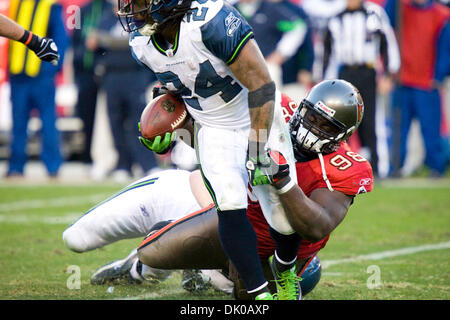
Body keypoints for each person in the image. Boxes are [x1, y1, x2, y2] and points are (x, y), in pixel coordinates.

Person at [63, 80, 373, 299]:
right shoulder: (275, 108)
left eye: (325, 125)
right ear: (301, 105)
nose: (310, 127)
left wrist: (284, 182)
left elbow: (317, 226)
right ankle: (146, 262)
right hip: (201, 194)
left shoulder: (346, 167)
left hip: (238, 234)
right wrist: (176, 112)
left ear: (343, 136)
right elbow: (213, 100)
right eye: (310, 115)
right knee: (75, 238)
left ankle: (144, 269)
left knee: (180, 260)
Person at [117, 0, 300, 300]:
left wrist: (257, 148)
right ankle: (259, 295)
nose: (132, 11)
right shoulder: (141, 42)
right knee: (229, 204)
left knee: (280, 211)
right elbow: (180, 83)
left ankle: (286, 270)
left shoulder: (211, 21)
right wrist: (168, 120)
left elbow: (262, 84)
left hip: (258, 116)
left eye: (140, 3)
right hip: (213, 128)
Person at [323, 0, 400, 177]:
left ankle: (378, 167)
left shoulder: (375, 14)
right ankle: (342, 166)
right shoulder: (335, 17)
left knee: (371, 120)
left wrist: (388, 74)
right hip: (345, 73)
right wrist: (323, 80)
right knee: (342, 121)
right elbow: (327, 50)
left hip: (368, 71)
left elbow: (387, 43)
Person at [85, 0, 159, 182]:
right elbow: (93, 44)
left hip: (134, 76)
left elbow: (135, 40)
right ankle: (122, 164)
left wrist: (104, 39)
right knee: (115, 123)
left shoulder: (138, 17)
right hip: (111, 77)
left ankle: (147, 164)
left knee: (139, 122)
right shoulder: (105, 19)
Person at [6, 0, 69, 179]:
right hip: (18, 74)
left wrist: (50, 69)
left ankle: (53, 166)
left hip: (41, 76)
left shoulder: (50, 5)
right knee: (18, 123)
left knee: (48, 122)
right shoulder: (16, 3)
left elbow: (61, 40)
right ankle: (15, 167)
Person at [388, 0, 449, 178]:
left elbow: (446, 49)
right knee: (399, 128)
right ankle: (395, 168)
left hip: (427, 83)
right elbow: (388, 19)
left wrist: (438, 76)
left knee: (431, 129)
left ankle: (436, 168)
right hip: (402, 81)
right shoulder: (401, 8)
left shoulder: (441, 14)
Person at [71, 0, 108, 179]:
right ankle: (87, 158)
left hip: (102, 71)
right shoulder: (82, 11)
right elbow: (76, 38)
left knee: (104, 117)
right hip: (84, 73)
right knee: (85, 115)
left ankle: (103, 159)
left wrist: (98, 42)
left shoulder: (109, 10)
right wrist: (80, 54)